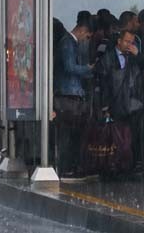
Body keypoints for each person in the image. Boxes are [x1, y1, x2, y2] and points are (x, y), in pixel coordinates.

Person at [95, 29, 144, 174]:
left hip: (133, 103)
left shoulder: (134, 57)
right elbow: (104, 84)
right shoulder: (108, 58)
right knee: (117, 135)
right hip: (116, 103)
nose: (129, 45)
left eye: (132, 42)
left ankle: (131, 165)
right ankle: (116, 165)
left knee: (132, 135)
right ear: (119, 41)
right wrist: (105, 106)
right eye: (126, 41)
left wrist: (139, 56)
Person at [53, 18, 94, 180]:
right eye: (87, 36)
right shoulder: (68, 43)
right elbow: (70, 67)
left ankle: (68, 167)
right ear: (83, 30)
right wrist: (88, 69)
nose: (86, 40)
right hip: (68, 95)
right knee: (68, 133)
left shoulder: (68, 43)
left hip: (71, 93)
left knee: (70, 133)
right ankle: (66, 168)